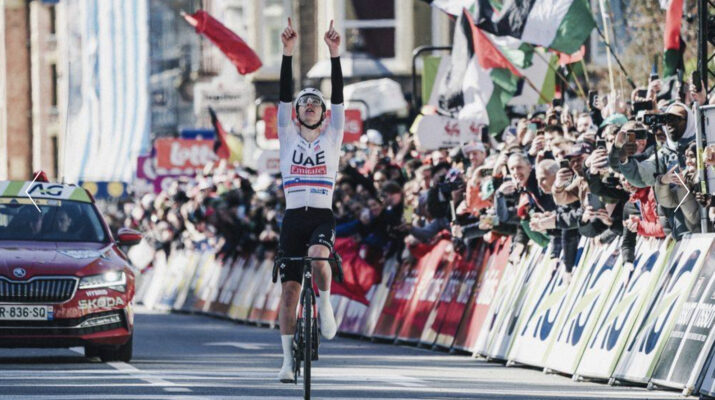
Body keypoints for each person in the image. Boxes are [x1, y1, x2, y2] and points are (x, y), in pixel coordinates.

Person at [276, 17, 343, 383]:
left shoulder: (333, 136)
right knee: (289, 292)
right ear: (297, 113)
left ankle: (326, 304)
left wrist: (334, 55)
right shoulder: (287, 134)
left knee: (319, 256)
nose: (311, 106)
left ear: (324, 113)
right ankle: (287, 361)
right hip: (292, 218)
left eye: (317, 103)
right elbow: (284, 95)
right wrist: (287, 53)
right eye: (305, 104)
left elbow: (339, 97)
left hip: (320, 215)